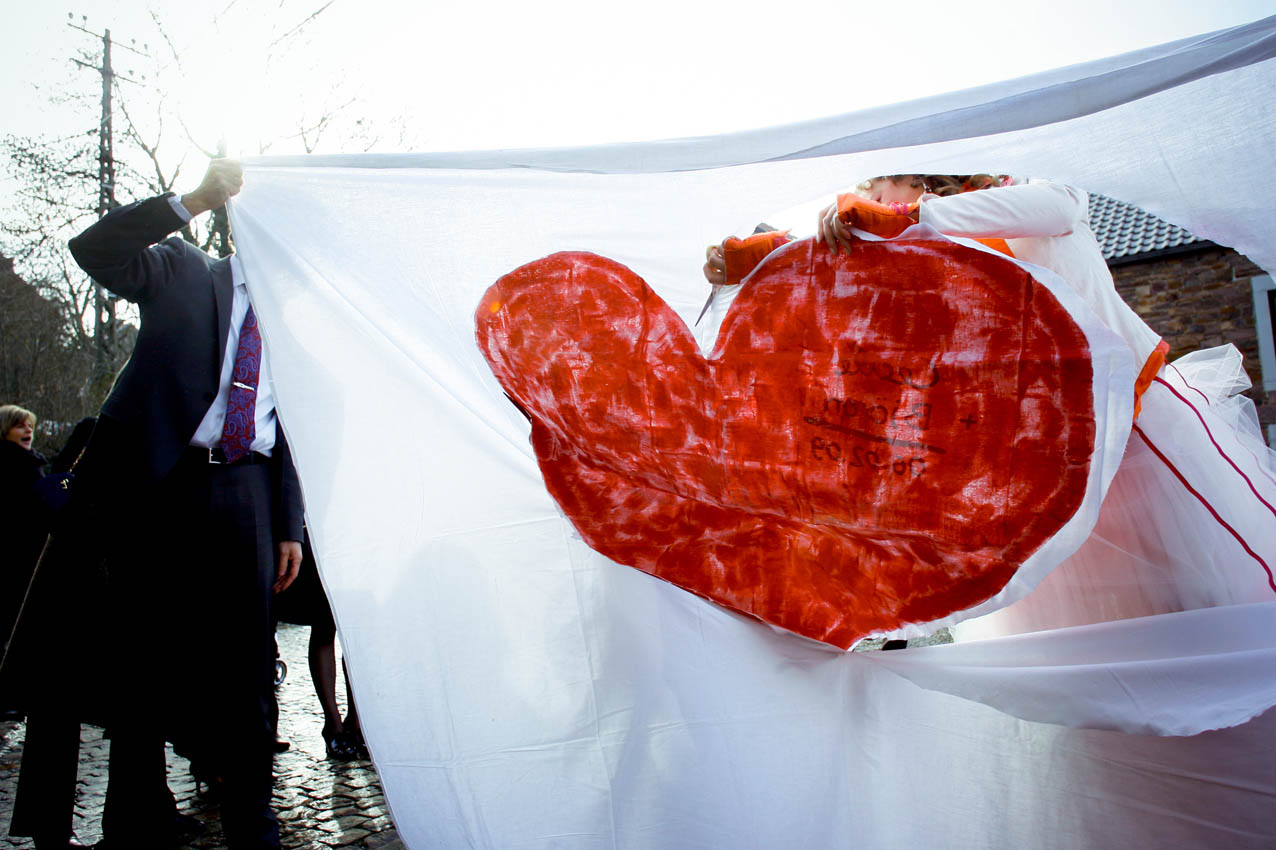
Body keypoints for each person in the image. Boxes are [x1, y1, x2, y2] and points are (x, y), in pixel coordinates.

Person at [703, 174, 1276, 637]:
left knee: (1194, 584)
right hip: (1039, 459)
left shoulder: (1021, 199)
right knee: (1081, 613)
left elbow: (1063, 205)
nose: (870, 205)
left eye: (878, 193)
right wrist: (769, 255)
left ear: (917, 182)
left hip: (1132, 425)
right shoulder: (924, 256)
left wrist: (914, 220)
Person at [7, 158, 304, 850]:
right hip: (159, 490)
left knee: (249, 667)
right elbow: (95, 250)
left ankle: (251, 819)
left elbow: (294, 427)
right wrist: (193, 199)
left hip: (249, 491)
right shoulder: (182, 268)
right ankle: (136, 813)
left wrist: (287, 524)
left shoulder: (302, 322)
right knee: (144, 658)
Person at [0, 405, 48, 702]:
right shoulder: (17, 466)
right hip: (15, 555)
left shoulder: (29, 464)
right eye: (20, 426)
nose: (28, 431)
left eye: (30, 426)